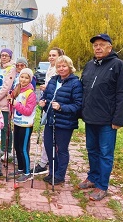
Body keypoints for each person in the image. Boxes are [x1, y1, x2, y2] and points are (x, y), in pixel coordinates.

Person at [79, 34, 123, 201]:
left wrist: (118, 119)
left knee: (105, 153)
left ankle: (102, 185)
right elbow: (83, 89)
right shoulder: (89, 66)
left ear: (110, 47)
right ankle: (93, 177)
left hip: (108, 121)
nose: (98, 48)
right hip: (90, 118)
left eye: (101, 45)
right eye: (95, 45)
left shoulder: (119, 66)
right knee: (92, 150)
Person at [39, 55, 82, 186]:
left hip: (65, 122)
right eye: (59, 66)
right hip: (50, 119)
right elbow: (46, 97)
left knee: (61, 149)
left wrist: (61, 107)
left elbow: (78, 105)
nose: (61, 69)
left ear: (70, 67)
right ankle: (52, 172)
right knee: (48, 146)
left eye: (64, 66)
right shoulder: (53, 80)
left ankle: (60, 175)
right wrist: (43, 102)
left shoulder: (75, 83)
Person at [31, 47, 64, 175]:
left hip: (56, 106)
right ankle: (46, 160)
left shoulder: (59, 70)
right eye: (49, 55)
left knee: (52, 136)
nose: (51, 57)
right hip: (47, 105)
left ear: (59, 57)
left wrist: (47, 88)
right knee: (47, 135)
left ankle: (48, 161)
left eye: (54, 55)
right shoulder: (49, 69)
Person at [8, 68, 37, 182]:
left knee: (23, 148)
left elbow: (28, 111)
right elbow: (13, 105)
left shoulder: (31, 93)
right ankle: (20, 168)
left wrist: (16, 104)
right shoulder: (17, 90)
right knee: (17, 147)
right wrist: (11, 101)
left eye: (26, 78)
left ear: (30, 79)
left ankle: (27, 172)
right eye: (21, 77)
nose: (23, 80)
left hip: (26, 125)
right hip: (17, 123)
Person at [0, 48, 16, 160]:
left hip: (4, 102)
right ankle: (0, 149)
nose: (3, 57)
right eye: (2, 55)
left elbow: (7, 86)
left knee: (6, 127)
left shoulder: (12, 68)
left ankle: (8, 151)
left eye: (6, 55)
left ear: (10, 57)